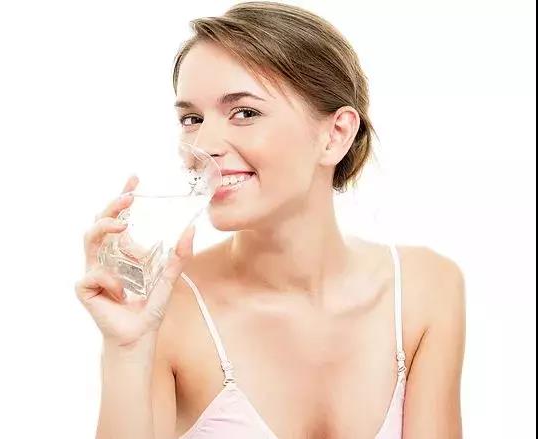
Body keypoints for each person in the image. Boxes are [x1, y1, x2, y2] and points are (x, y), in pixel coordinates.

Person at [76, 2, 466, 438]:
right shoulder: (167, 311)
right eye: (192, 119)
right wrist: (127, 349)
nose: (203, 145)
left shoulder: (424, 291)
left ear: (335, 135)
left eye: (244, 112)